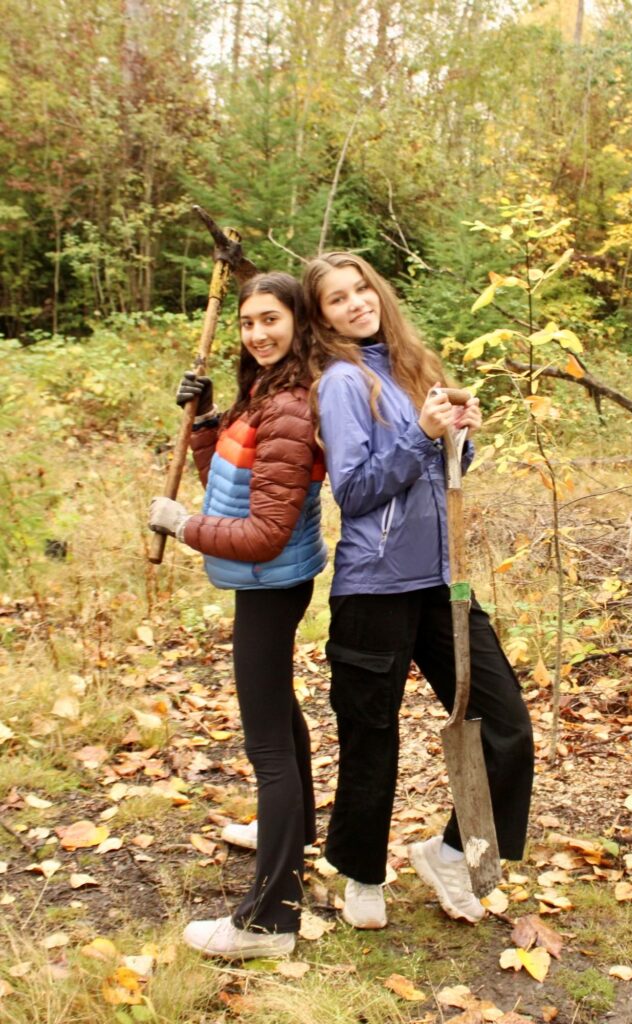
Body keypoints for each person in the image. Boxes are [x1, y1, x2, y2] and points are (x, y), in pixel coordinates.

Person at [301, 252, 534, 930]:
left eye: (360, 289)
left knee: (505, 724)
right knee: (371, 736)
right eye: (336, 299)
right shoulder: (343, 383)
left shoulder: (416, 366)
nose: (355, 304)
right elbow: (355, 488)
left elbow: (441, 471)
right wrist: (421, 432)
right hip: (373, 586)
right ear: (322, 319)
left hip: (443, 579)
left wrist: (461, 437)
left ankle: (450, 851)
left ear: (378, 291)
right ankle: (363, 875)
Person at [148, 272, 326, 959]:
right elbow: (229, 486)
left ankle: (269, 921)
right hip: (271, 581)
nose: (257, 333)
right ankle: (297, 830)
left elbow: (261, 533)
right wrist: (204, 421)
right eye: (248, 322)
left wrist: (183, 526)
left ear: (298, 322)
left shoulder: (289, 406)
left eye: (270, 320)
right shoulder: (265, 391)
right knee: (280, 714)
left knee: (268, 748)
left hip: (269, 579)